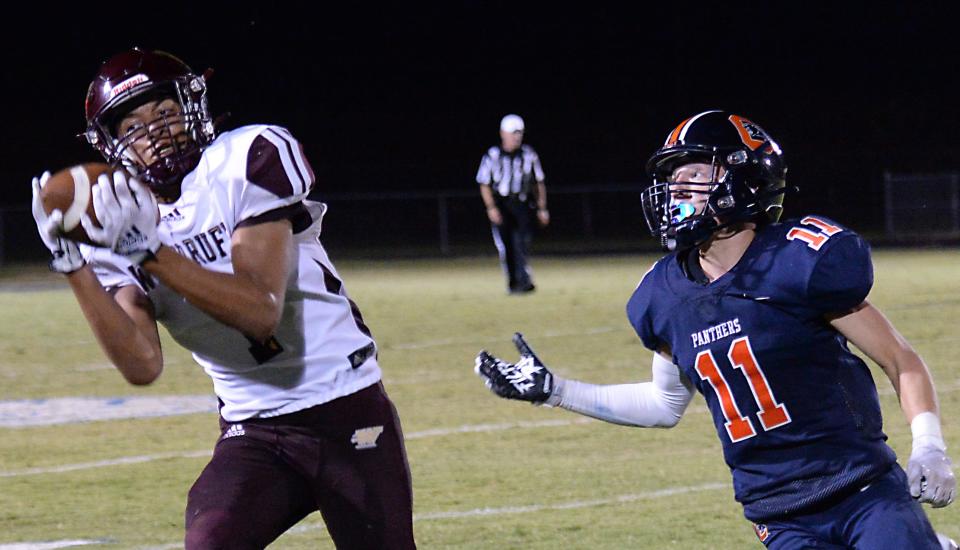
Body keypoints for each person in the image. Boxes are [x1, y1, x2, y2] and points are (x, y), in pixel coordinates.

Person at [474, 110, 957, 549]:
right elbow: (664, 405)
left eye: (694, 174)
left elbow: (900, 359)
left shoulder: (798, 261)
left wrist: (929, 446)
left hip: (863, 489)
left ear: (745, 178)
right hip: (778, 513)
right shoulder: (663, 295)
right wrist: (555, 390)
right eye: (672, 177)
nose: (677, 188)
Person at [31, 48, 416, 549]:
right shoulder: (118, 215)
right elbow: (142, 364)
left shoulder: (246, 158)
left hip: (343, 407)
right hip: (255, 430)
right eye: (132, 126)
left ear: (193, 108)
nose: (153, 132)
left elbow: (260, 312)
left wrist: (148, 251)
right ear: (111, 145)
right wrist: (72, 265)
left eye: (164, 113)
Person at [475, 114, 549, 294]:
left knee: (521, 243)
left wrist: (542, 208)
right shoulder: (492, 155)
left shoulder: (528, 155)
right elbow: (484, 183)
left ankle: (524, 281)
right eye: (513, 133)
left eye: (519, 133)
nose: (517, 137)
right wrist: (491, 207)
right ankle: (513, 282)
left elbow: (537, 182)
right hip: (502, 204)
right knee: (506, 245)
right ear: (503, 133)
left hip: (522, 204)